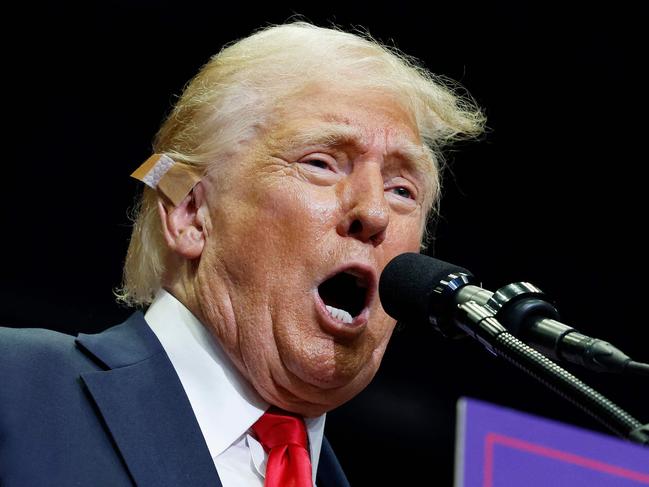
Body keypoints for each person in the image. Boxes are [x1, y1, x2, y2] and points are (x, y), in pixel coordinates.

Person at [0, 21, 484, 486]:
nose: (375, 212)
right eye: (320, 163)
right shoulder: (14, 386)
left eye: (402, 190)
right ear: (190, 214)